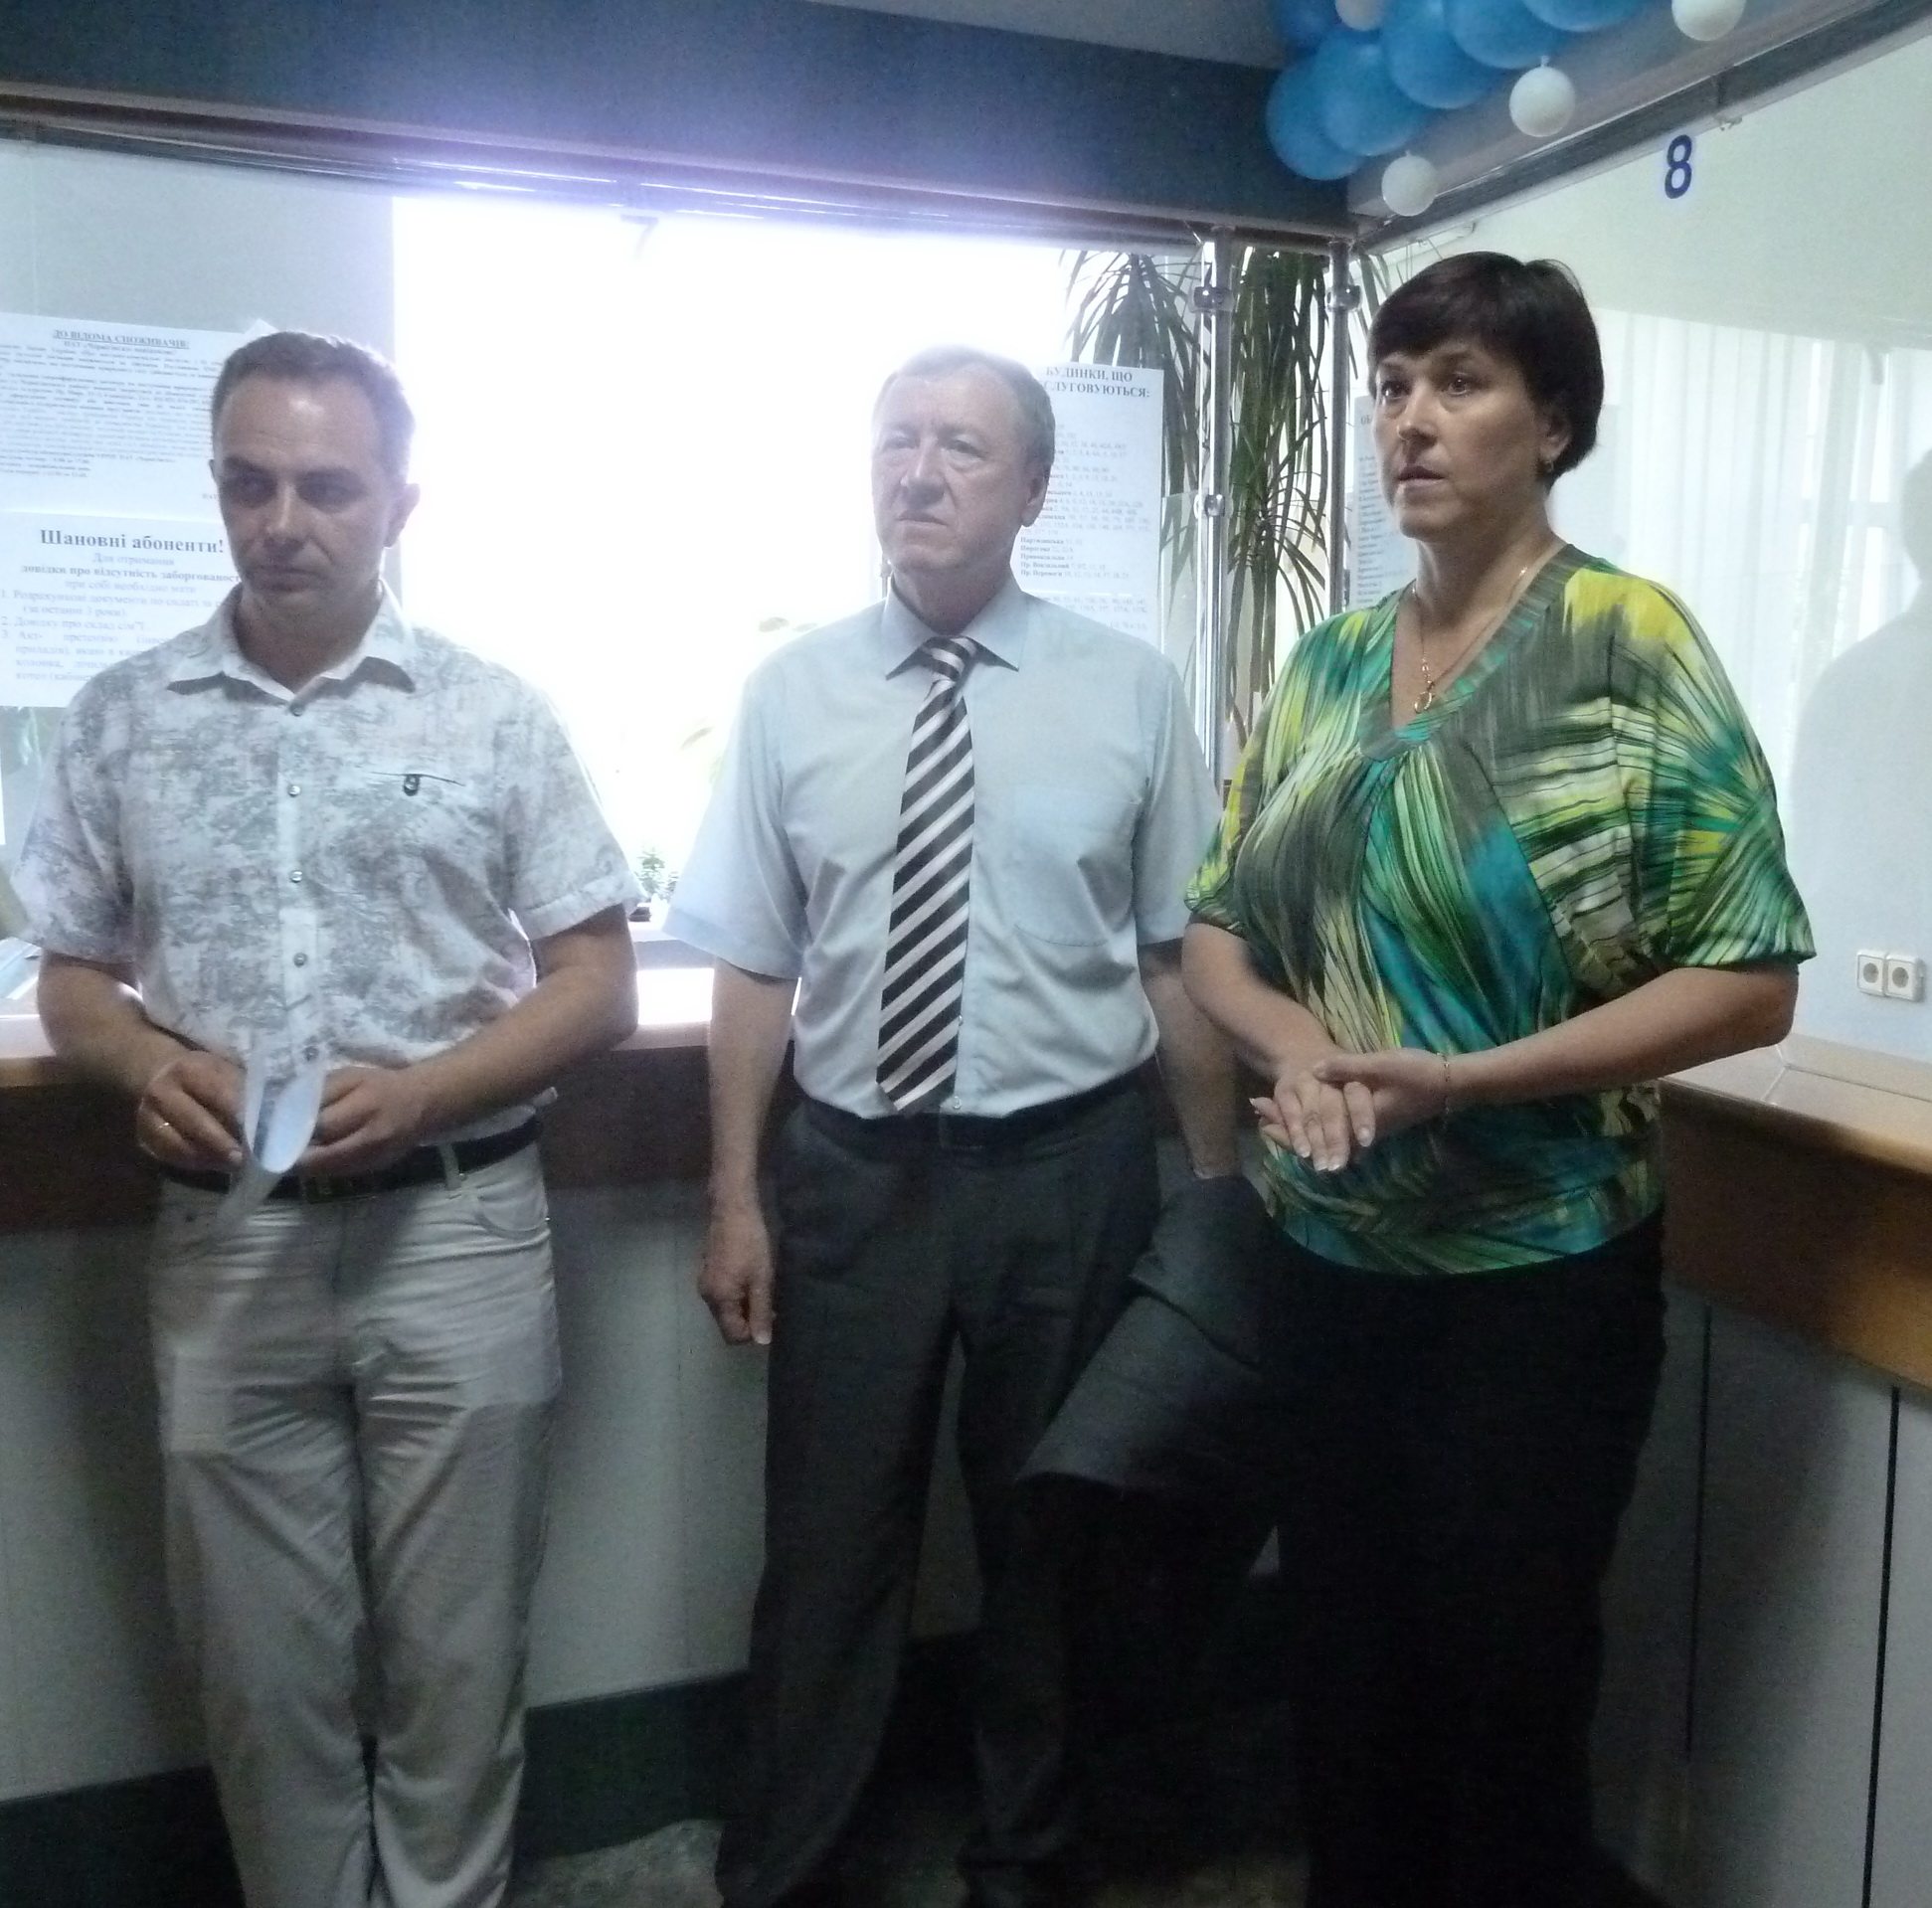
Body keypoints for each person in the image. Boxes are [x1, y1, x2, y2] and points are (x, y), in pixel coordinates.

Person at [1181, 254, 1814, 1908]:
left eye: (1459, 383)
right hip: (1326, 1260)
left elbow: (1749, 976)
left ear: (1555, 425)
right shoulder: (1327, 664)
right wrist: (1300, 1050)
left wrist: (1462, 1081)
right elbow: (1218, 935)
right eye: (1393, 384)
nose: (1410, 419)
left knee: (1503, 1698)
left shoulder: (1625, 642)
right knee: (1343, 1675)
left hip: (1536, 1284)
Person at [14, 331, 640, 1908]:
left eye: (326, 488)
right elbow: (71, 975)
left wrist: (428, 1087)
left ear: (399, 503)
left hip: (459, 1230)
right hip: (229, 1242)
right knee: (262, 1668)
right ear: (217, 488)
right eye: (250, 483)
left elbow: (596, 983)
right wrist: (137, 1063)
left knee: (455, 1660)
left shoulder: (490, 714)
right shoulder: (121, 716)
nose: (282, 520)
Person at [666, 345, 1238, 1908]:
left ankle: (1028, 1857)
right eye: (897, 441)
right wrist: (736, 1197)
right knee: (829, 1540)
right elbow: (756, 963)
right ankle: (791, 1865)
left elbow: (1173, 956)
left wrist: (1212, 1194)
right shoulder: (792, 695)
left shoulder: (1130, 690)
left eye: (963, 449)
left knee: (1053, 1536)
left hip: (1067, 1165)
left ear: (1034, 490)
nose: (918, 474)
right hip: (855, 1174)